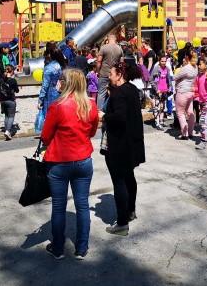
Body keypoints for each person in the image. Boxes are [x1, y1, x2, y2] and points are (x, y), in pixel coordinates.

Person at [40, 69, 99, 259]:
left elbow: (46, 136)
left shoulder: (58, 106)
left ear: (68, 83)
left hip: (59, 160)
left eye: (61, 79)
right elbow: (91, 132)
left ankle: (58, 248)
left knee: (58, 206)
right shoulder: (90, 105)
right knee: (82, 205)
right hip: (83, 159)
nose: (59, 82)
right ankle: (81, 247)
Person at [103, 61, 145, 236]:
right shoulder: (132, 89)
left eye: (111, 74)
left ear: (119, 75)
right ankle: (130, 210)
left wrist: (104, 116)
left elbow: (119, 117)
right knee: (129, 178)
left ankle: (121, 223)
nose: (109, 76)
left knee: (119, 182)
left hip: (119, 145)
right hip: (132, 143)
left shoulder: (118, 93)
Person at [37, 48, 66, 136]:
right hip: (62, 93)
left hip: (51, 94)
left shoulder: (49, 68)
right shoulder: (63, 66)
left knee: (50, 117)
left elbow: (45, 85)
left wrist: (40, 99)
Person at [96, 34, 123, 111]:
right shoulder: (119, 49)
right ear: (115, 39)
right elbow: (121, 63)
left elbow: (99, 61)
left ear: (108, 39)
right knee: (115, 92)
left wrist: (98, 71)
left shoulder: (104, 48)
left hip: (104, 73)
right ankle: (113, 109)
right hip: (115, 75)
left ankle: (99, 112)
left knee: (101, 93)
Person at [174, 52, 198, 140]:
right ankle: (191, 132)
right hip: (190, 91)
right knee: (190, 112)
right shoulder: (195, 67)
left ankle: (185, 134)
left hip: (182, 91)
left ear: (187, 58)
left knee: (180, 113)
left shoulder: (186, 68)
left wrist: (180, 70)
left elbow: (175, 77)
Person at [0, 66, 19, 140]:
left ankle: (7, 130)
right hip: (11, 100)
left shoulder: (1, 80)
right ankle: (8, 131)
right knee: (11, 116)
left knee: (6, 116)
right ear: (12, 71)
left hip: (3, 101)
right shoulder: (13, 80)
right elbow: (17, 90)